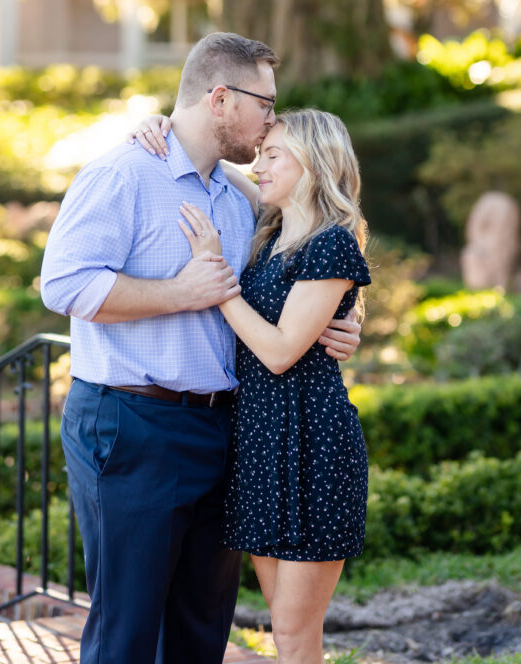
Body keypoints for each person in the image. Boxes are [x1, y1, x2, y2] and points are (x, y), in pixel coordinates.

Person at [40, 33, 361, 664]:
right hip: (133, 424)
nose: (273, 116)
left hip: (226, 430)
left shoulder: (241, 197)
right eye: (265, 103)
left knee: (200, 629)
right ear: (221, 99)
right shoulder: (124, 172)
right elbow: (64, 282)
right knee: (126, 630)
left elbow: (313, 254)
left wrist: (344, 321)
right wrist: (180, 291)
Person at [141, 109, 370, 664]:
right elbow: (216, 161)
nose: (259, 165)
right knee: (284, 630)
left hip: (311, 447)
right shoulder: (270, 236)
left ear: (314, 164)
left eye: (274, 155)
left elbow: (278, 350)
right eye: (261, 153)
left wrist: (216, 279)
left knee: (294, 635)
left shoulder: (331, 243)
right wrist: (164, 123)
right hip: (264, 446)